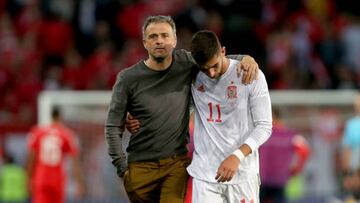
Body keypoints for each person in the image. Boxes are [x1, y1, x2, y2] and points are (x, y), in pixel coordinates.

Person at [105, 15, 259, 203]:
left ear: (174, 40)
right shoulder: (127, 79)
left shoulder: (186, 63)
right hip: (139, 167)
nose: (159, 40)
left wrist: (246, 58)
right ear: (144, 42)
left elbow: (217, 59)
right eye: (153, 37)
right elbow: (113, 127)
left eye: (164, 35)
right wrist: (123, 170)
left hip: (175, 164)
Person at [184, 30, 272, 203]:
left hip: (243, 174)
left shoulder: (250, 74)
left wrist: (237, 156)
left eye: (214, 66)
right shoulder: (193, 76)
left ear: (223, 51)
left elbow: (264, 126)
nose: (210, 73)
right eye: (205, 68)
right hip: (205, 174)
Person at [26, 107, 84, 203]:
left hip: (41, 178)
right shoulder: (67, 134)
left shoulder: (38, 132)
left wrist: (28, 179)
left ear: (51, 116)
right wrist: (79, 182)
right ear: (60, 117)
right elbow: (75, 161)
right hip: (57, 179)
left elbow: (31, 158)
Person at [259, 108, 310, 203]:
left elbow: (304, 151)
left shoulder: (263, 134)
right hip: (277, 179)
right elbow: (305, 151)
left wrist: (295, 170)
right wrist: (295, 170)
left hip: (265, 180)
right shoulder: (289, 135)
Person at [341, 92, 360, 201]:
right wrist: (347, 173)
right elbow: (347, 150)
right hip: (355, 167)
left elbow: (347, 150)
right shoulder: (351, 124)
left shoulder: (351, 125)